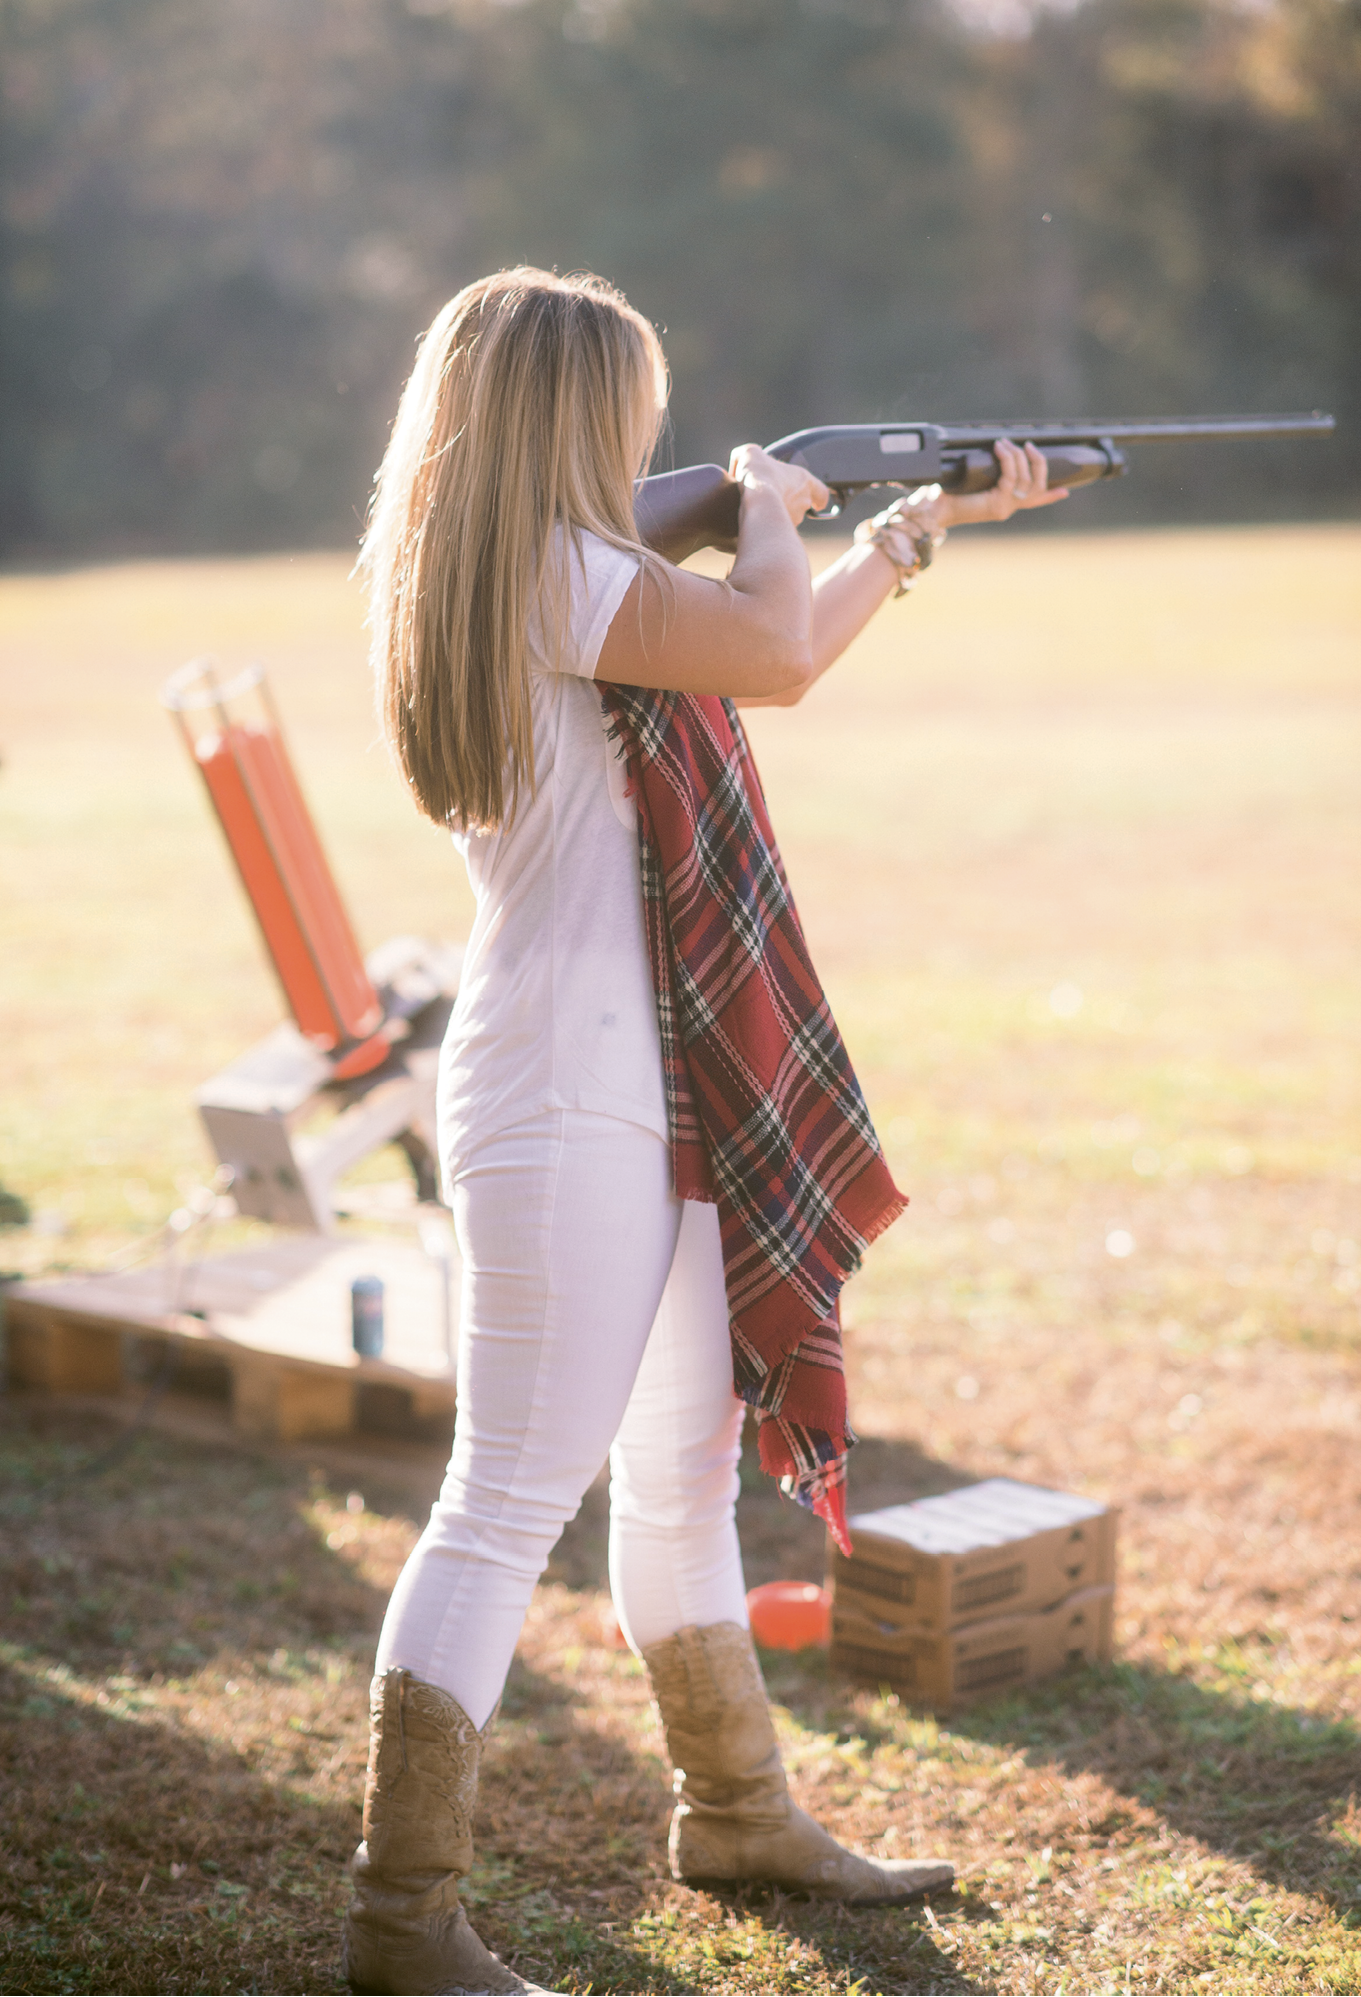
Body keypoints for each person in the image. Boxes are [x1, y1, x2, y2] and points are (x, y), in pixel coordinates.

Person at [345, 266, 1068, 1997]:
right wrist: (770, 509)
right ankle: (398, 1922)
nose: (650, 438)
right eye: (632, 412)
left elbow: (782, 641)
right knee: (503, 1504)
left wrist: (896, 533)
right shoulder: (552, 568)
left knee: (676, 1485)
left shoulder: (525, 568)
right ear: (571, 420)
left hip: (637, 1076)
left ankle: (738, 1810)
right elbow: (763, 651)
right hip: (565, 1084)